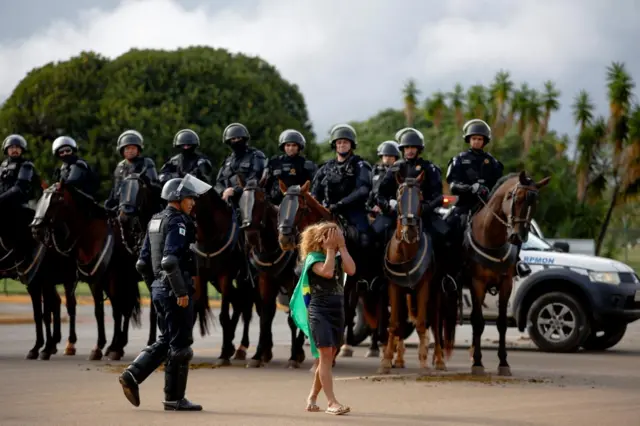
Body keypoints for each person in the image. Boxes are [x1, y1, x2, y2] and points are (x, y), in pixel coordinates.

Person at [119, 174, 211, 411]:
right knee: (181, 344)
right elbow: (170, 261)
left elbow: (142, 263)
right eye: (190, 198)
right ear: (178, 197)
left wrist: (156, 286)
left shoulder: (155, 220)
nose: (193, 202)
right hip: (175, 290)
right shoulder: (179, 222)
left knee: (167, 339)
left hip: (161, 289)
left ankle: (132, 375)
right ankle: (174, 398)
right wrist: (179, 291)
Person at [445, 119, 531, 277]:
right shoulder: (459, 160)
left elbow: (499, 186)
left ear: (484, 141)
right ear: (469, 140)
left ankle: (517, 261)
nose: (477, 141)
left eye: (480, 139)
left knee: (513, 224)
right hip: (466, 204)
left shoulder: (493, 162)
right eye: (474, 138)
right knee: (449, 226)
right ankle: (451, 267)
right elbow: (453, 185)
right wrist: (471, 188)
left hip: (489, 205)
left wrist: (489, 191)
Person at [290, 222, 355, 415]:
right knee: (325, 356)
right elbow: (327, 272)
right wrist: (329, 250)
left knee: (327, 357)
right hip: (319, 311)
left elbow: (351, 270)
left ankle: (312, 398)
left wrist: (342, 247)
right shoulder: (312, 259)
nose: (336, 237)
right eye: (331, 235)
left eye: (338, 234)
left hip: (337, 311)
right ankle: (332, 402)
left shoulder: (336, 256)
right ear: (321, 239)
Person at [311, 124, 372, 248]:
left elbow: (363, 190)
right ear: (335, 145)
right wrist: (319, 206)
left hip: (353, 210)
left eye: (345, 142)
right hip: (328, 210)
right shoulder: (326, 167)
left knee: (366, 239)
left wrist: (341, 204)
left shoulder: (360, 164)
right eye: (339, 142)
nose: (342, 145)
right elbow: (315, 190)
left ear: (351, 145)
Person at [0, 134, 42, 260]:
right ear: (6, 149)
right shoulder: (3, 165)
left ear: (22, 149)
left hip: (20, 207)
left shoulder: (26, 165)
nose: (14, 149)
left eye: (18, 147)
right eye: (11, 147)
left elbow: (19, 188)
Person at [104, 130, 161, 210]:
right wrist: (109, 203)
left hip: (143, 208)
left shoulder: (146, 162)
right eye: (127, 148)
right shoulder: (120, 167)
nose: (130, 151)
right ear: (122, 150)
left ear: (138, 150)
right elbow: (116, 191)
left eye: (133, 148)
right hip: (121, 207)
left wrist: (147, 182)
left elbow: (157, 189)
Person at [214, 122, 266, 207]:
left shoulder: (255, 156)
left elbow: (255, 179)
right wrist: (223, 191)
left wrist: (234, 190)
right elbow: (219, 182)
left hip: (250, 201)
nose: (236, 141)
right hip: (228, 202)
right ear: (228, 141)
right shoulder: (228, 161)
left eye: (238, 138)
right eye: (233, 139)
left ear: (244, 139)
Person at [262, 129, 317, 205]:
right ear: (283, 146)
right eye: (288, 145)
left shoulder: (306, 164)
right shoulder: (274, 162)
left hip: (298, 205)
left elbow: (315, 186)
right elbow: (266, 185)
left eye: (294, 145)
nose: (291, 148)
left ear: (299, 147)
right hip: (274, 204)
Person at [367, 140, 401, 244]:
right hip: (372, 209)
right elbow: (370, 192)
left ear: (395, 157)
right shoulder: (374, 171)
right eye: (385, 155)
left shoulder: (399, 172)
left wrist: (388, 206)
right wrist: (370, 206)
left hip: (391, 209)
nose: (387, 158)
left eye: (391, 156)